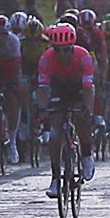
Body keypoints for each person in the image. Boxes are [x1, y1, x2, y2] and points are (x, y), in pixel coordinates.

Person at [37, 18, 98, 197]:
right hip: (59, 87)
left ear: (72, 46)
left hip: (78, 88)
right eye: (58, 50)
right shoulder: (46, 58)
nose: (62, 54)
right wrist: (42, 112)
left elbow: (88, 89)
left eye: (66, 50)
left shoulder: (83, 56)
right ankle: (56, 177)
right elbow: (43, 88)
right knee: (55, 133)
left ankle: (86, 155)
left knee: (81, 120)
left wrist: (88, 110)